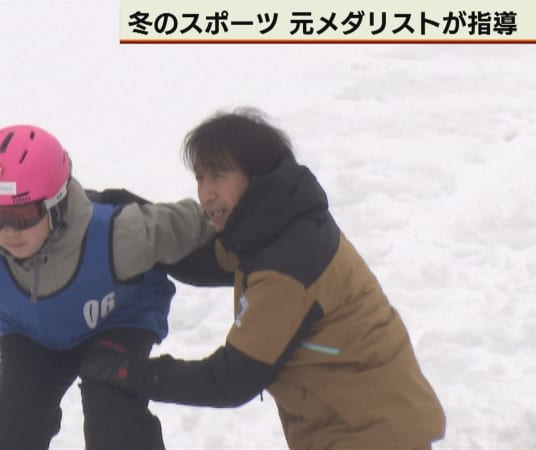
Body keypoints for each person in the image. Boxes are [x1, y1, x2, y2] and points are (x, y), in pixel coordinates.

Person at [80, 108, 447, 449]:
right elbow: (204, 260)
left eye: (219, 175)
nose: (206, 193)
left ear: (255, 178)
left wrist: (130, 371)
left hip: (370, 435)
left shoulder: (287, 265)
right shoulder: (276, 224)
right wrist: (119, 208)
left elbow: (230, 380)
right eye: (200, 177)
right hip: (359, 425)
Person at [0, 124, 217, 450]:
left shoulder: (119, 237)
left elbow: (203, 223)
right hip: (32, 333)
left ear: (57, 203)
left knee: (112, 414)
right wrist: (16, 324)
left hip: (118, 319)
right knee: (13, 424)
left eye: (23, 213)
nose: (8, 231)